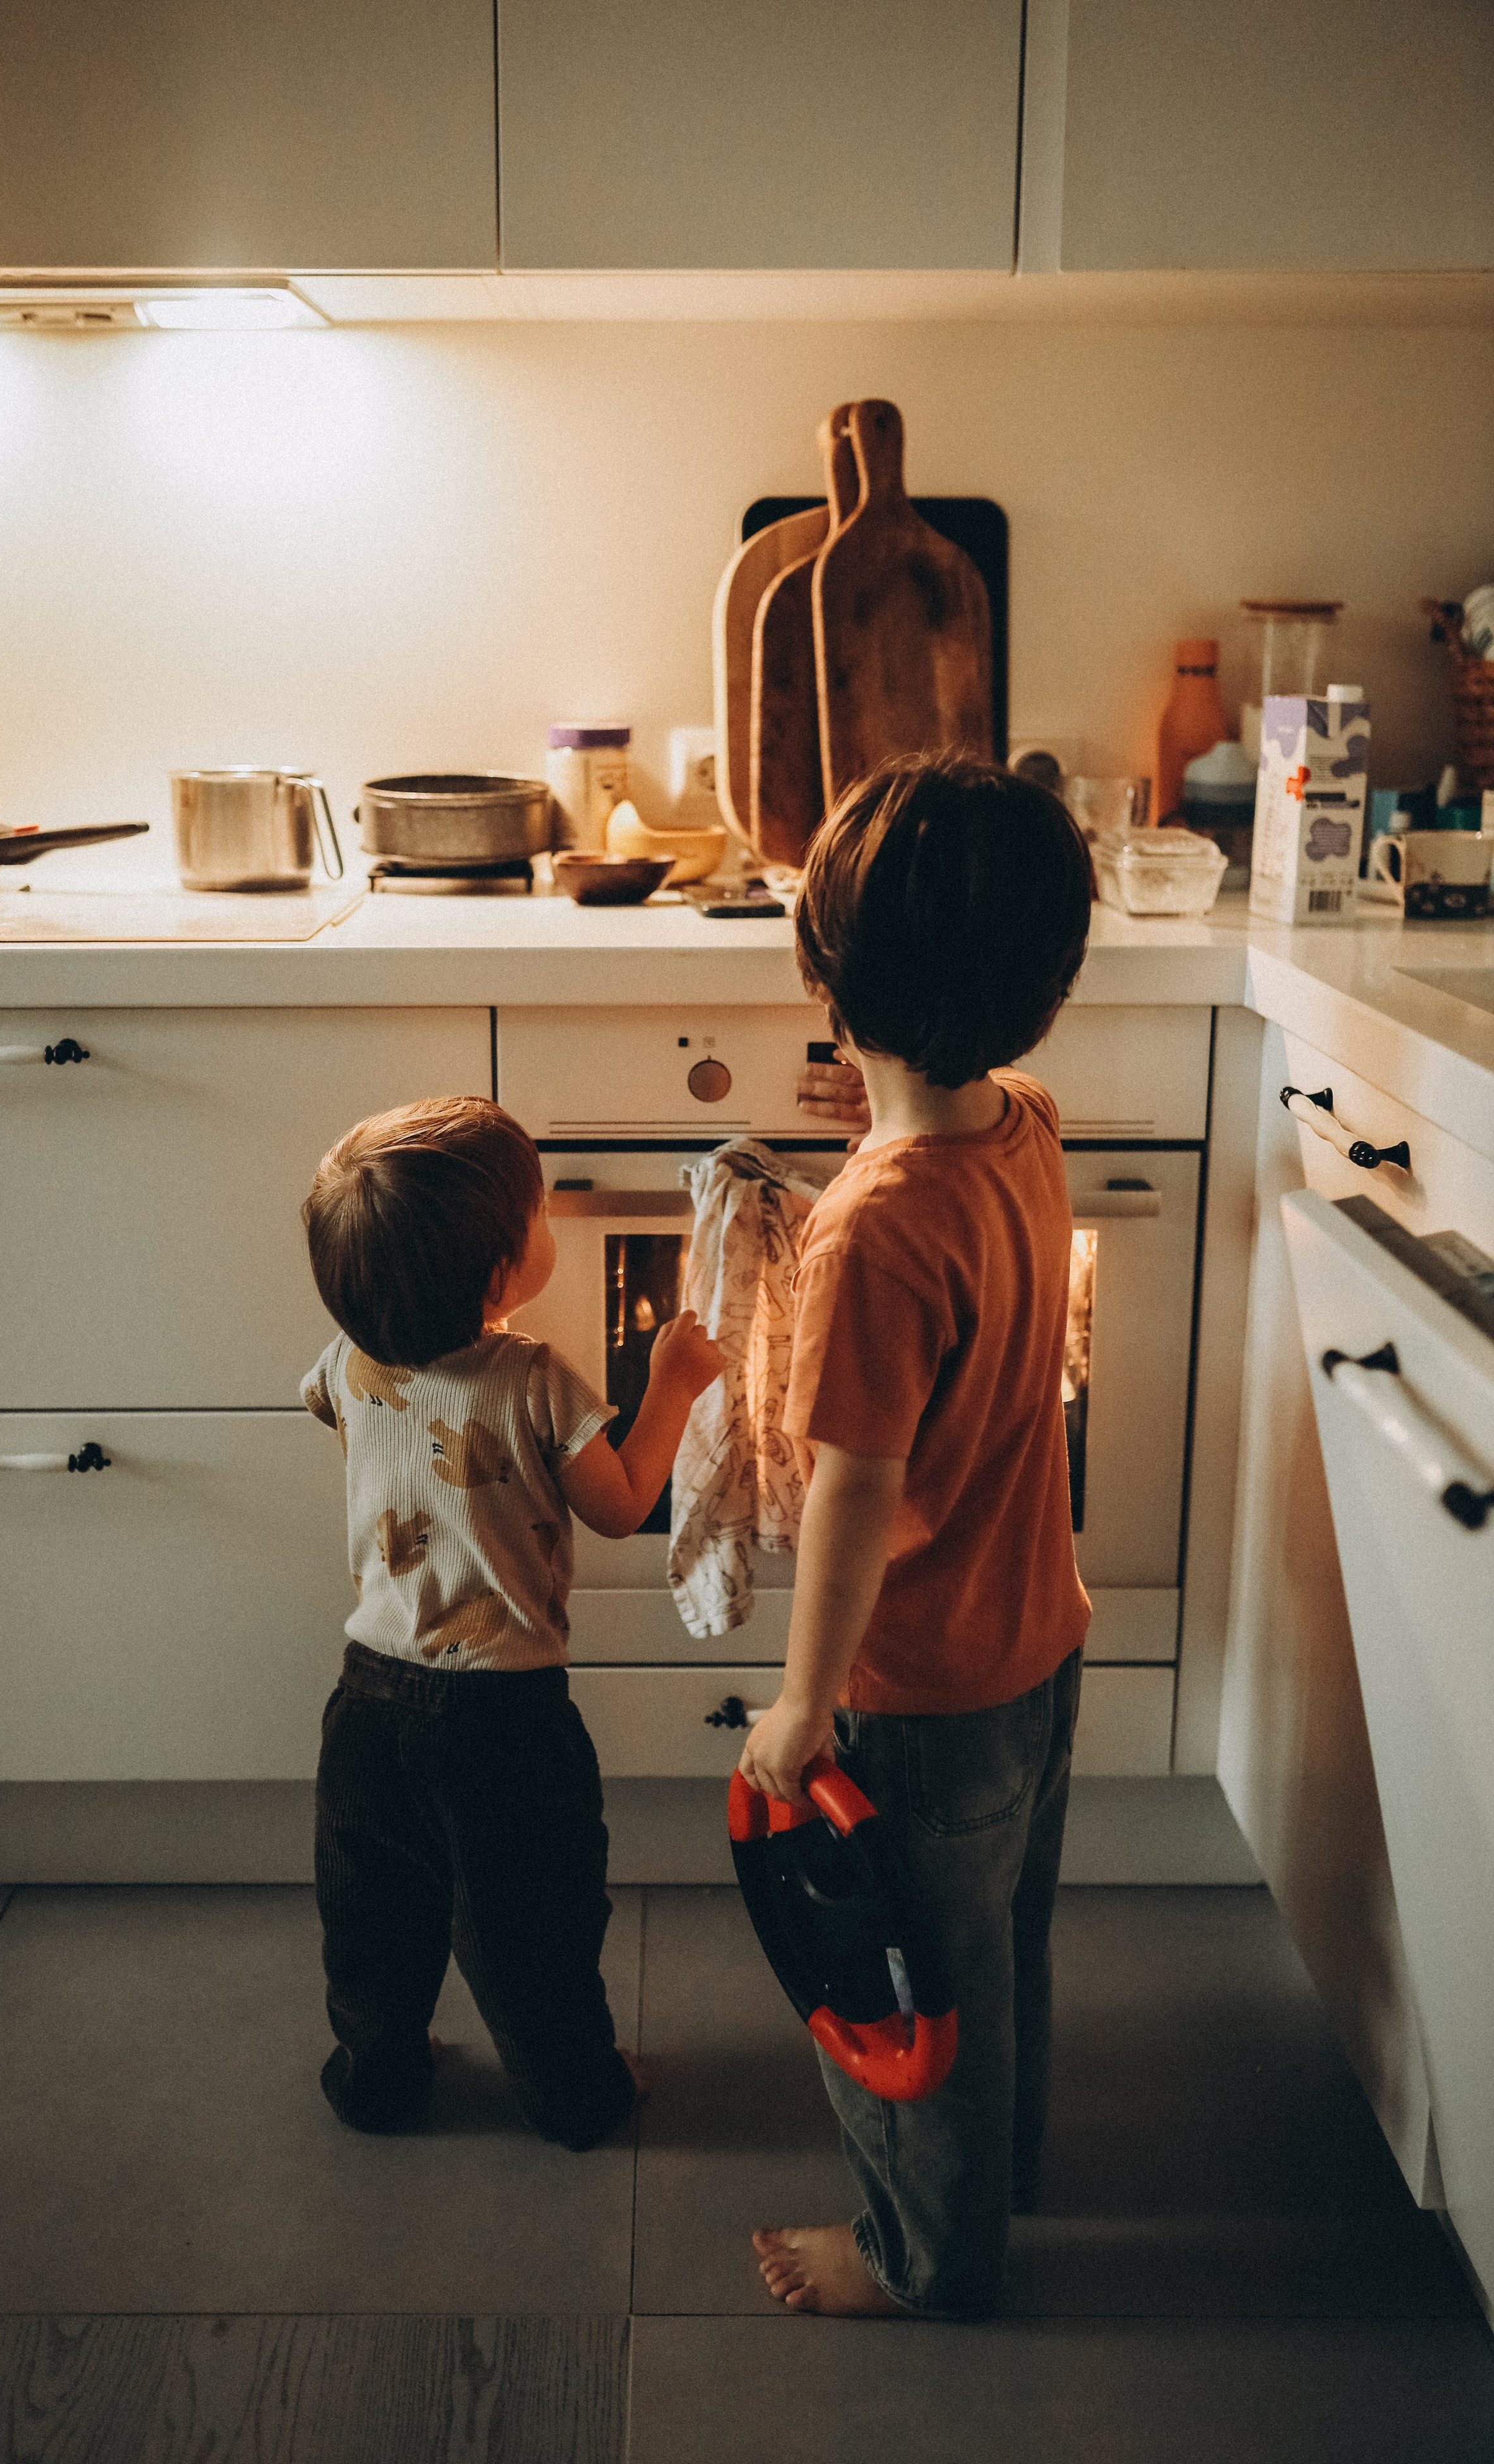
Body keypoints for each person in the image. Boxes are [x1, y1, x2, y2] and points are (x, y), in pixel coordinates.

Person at [742, 750, 1095, 2317]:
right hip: (1038, 1647)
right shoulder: (1020, 1121)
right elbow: (931, 1181)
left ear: (826, 971)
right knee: (998, 1956)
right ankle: (997, 2179)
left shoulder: (872, 1227)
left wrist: (804, 1703)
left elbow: (853, 1487)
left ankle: (924, 2259)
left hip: (918, 1698)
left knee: (905, 2000)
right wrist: (878, 1117)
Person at [300, 1095, 721, 2152]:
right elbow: (621, 1506)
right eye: (538, 1215)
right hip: (504, 1716)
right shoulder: (533, 1380)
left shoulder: (345, 1362)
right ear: (498, 1274)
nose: (549, 1225)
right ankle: (576, 2094)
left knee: (375, 1910)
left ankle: (377, 2079)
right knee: (531, 1919)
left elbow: (337, 1420)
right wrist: (672, 1384)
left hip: (369, 1694)